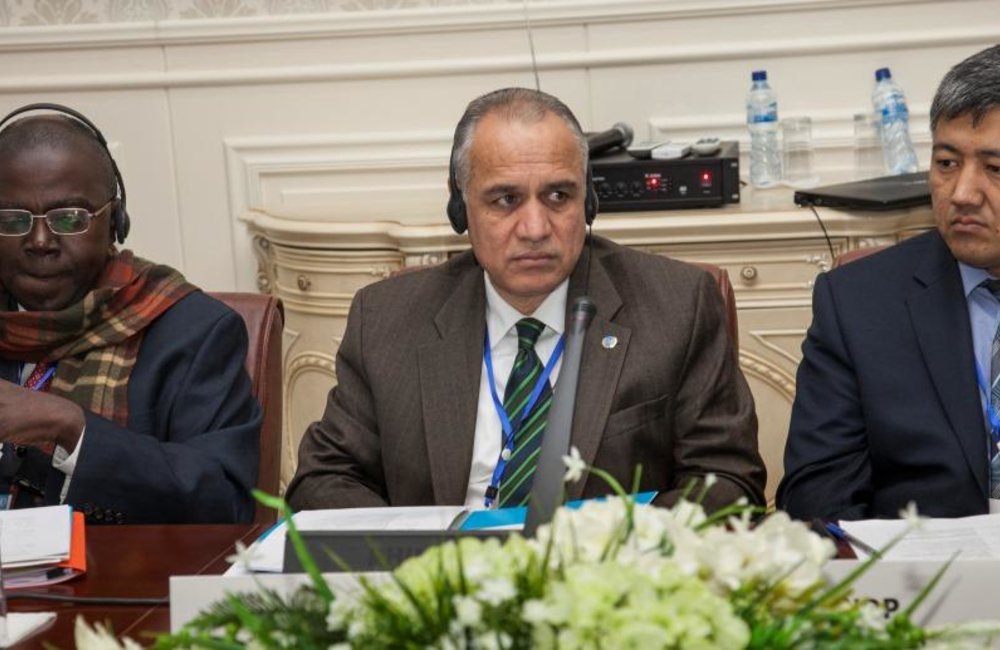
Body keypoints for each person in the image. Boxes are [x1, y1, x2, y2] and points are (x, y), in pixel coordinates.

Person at [286, 87, 765, 512]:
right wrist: (422, 559)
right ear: (460, 206)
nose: (535, 228)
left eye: (558, 197)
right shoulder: (387, 319)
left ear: (588, 202)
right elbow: (322, 481)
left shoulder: (677, 306)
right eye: (505, 200)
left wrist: (609, 549)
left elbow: (728, 480)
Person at [0, 104, 261, 524]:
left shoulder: (192, 331)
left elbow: (225, 502)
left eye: (69, 218)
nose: (40, 241)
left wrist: (74, 428)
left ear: (116, 222)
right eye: (13, 220)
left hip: (114, 565)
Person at [779, 45, 1000, 520]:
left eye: (995, 169)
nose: (962, 194)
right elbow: (817, 497)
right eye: (946, 163)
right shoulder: (858, 304)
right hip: (924, 562)